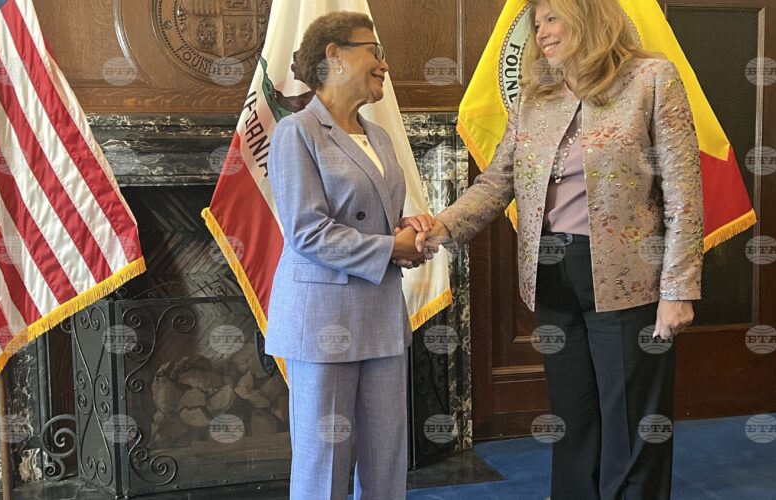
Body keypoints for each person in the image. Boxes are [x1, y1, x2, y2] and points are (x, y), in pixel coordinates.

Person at [410, 0, 704, 498]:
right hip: (551, 276)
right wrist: (439, 226)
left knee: (633, 425)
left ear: (588, 16)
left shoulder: (651, 78)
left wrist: (678, 289)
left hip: (628, 279)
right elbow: (497, 182)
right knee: (573, 419)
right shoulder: (536, 95)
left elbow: (684, 193)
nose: (541, 31)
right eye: (536, 22)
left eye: (552, 18)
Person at [264, 11, 430, 500]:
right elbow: (307, 232)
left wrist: (406, 231)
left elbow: (374, 216)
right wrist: (390, 247)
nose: (384, 64)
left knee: (387, 458)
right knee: (326, 463)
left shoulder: (379, 136)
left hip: (380, 314)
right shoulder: (297, 131)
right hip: (325, 322)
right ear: (334, 55)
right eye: (374, 51)